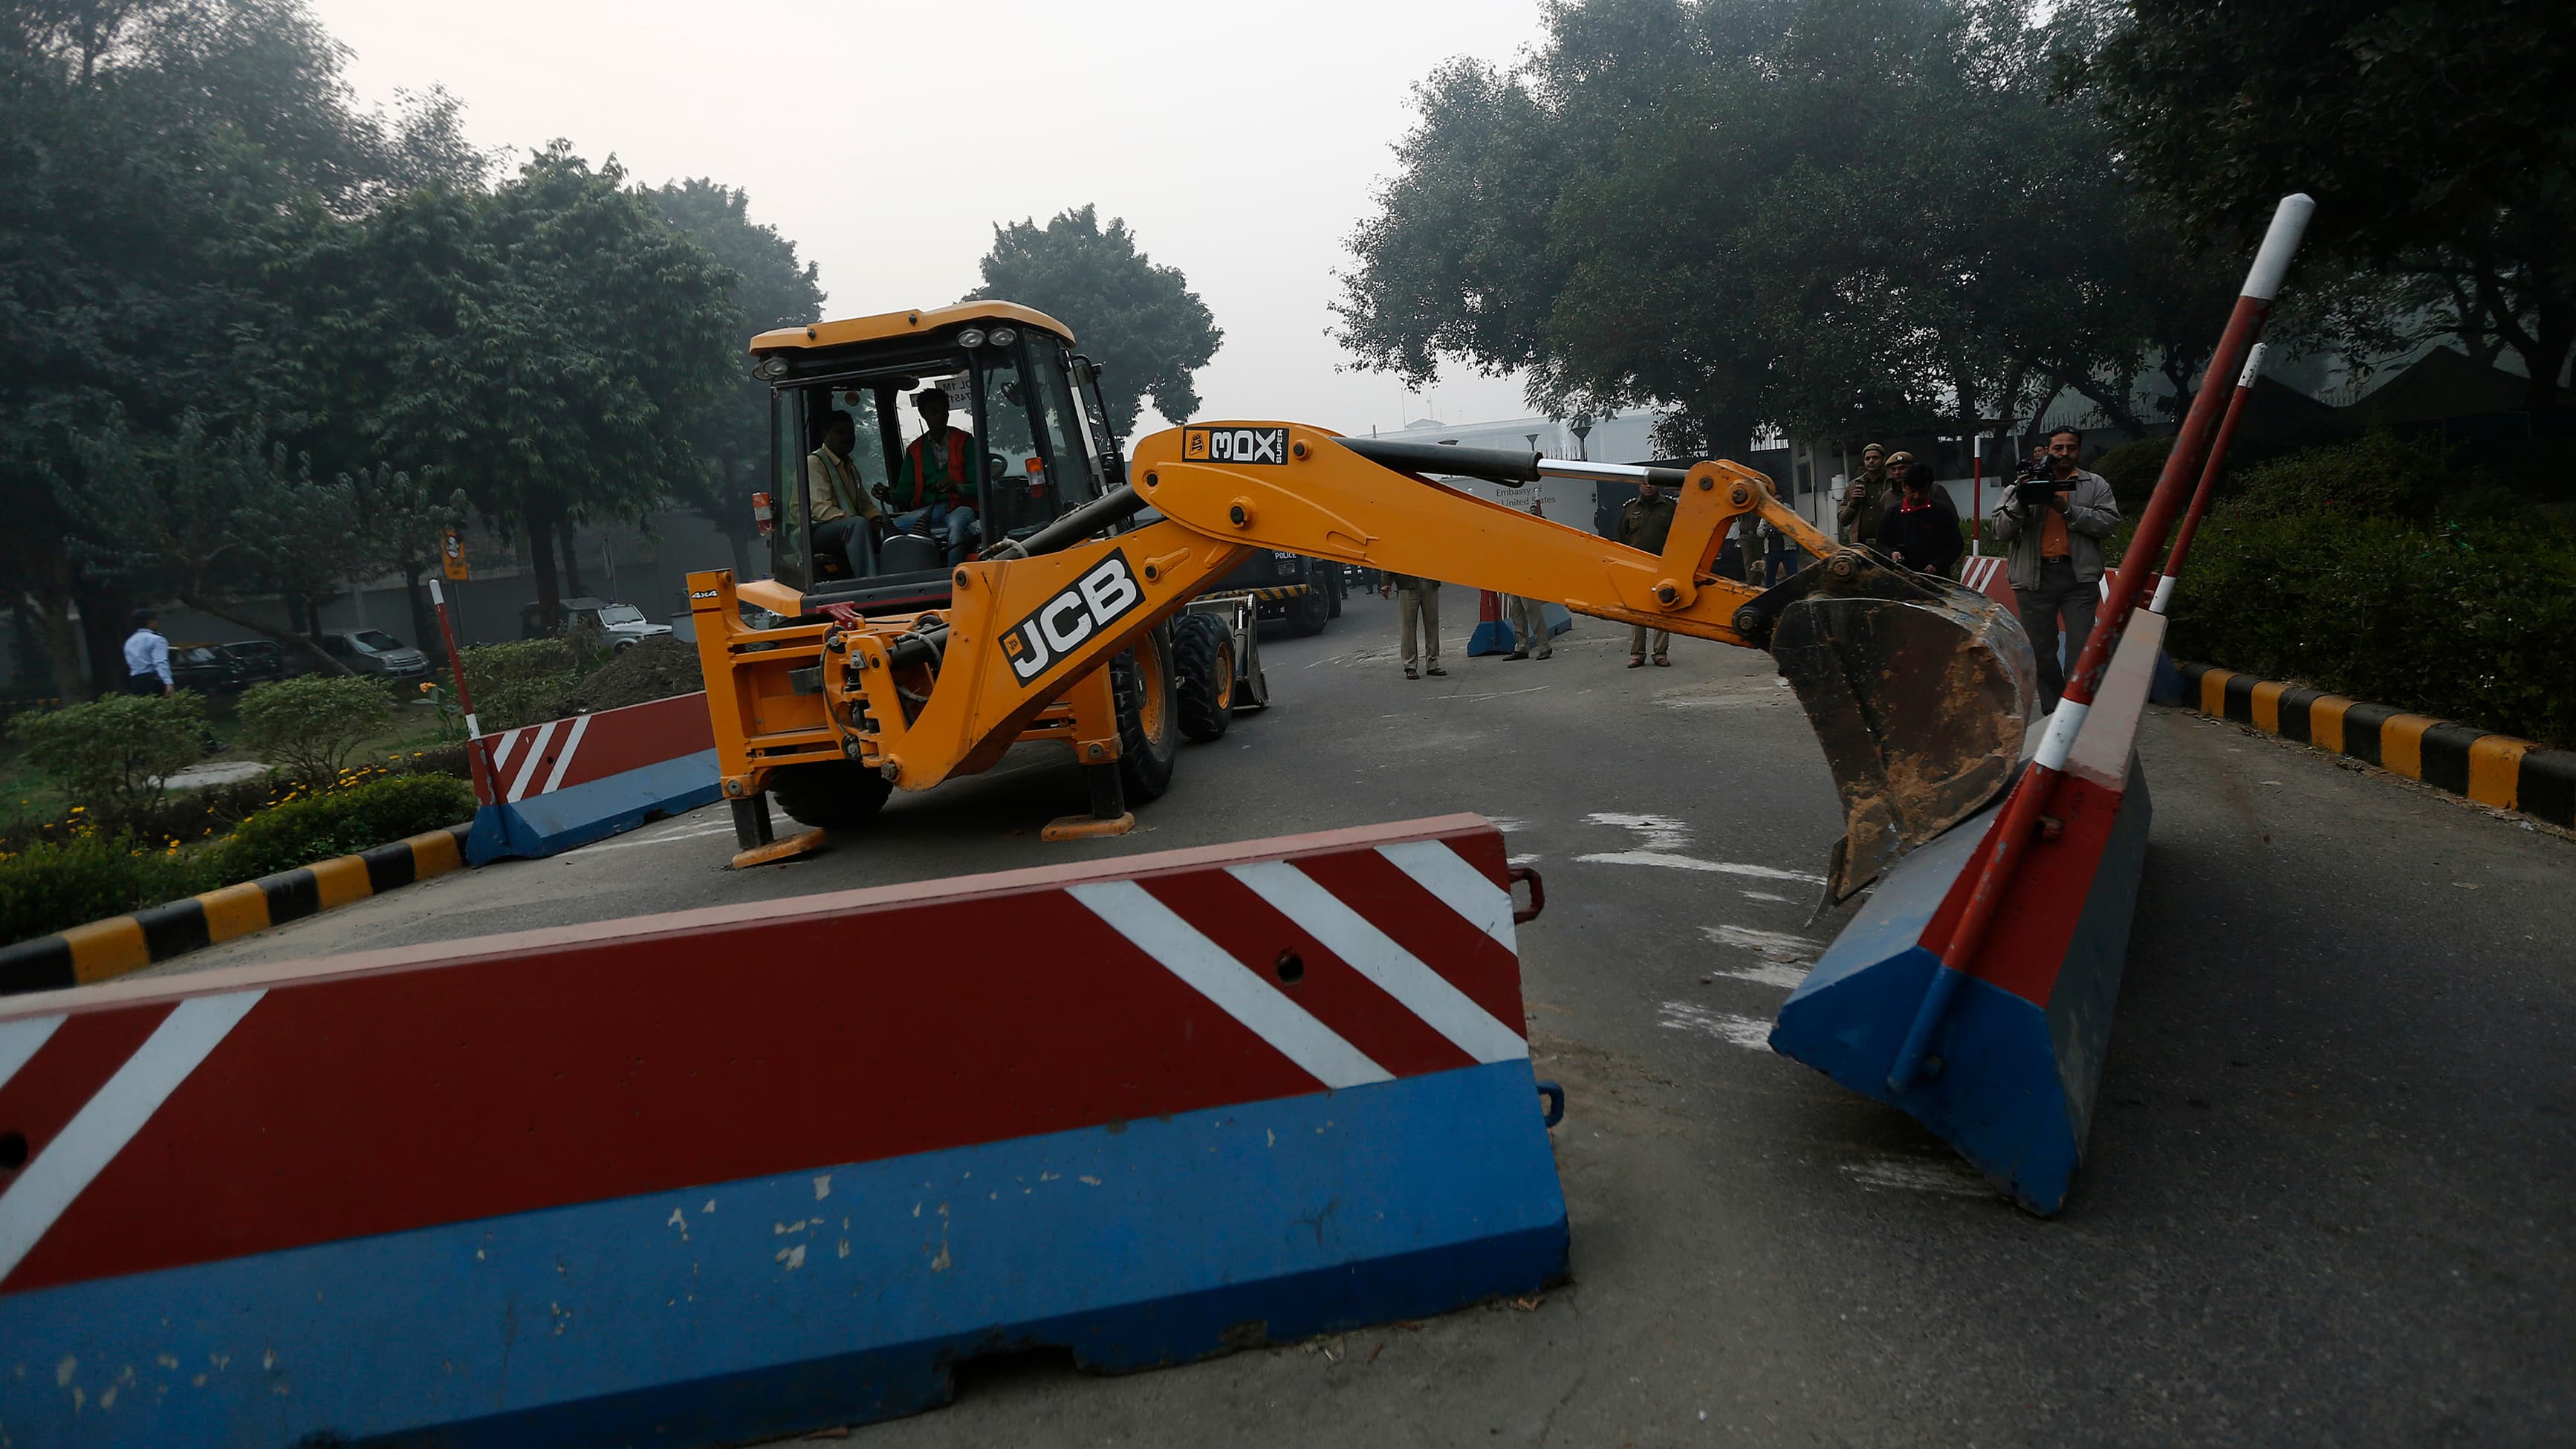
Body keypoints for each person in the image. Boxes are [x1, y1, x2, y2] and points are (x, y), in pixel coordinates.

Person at [1989, 426, 2121, 711]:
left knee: (2081, 650)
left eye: (2070, 448)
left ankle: (2076, 711)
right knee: (2041, 653)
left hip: (2079, 578)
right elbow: (2000, 531)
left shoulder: (2095, 484)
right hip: (2033, 581)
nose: (2063, 453)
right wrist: (2022, 503)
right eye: (2058, 448)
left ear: (2079, 450)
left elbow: (2109, 523)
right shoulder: (2020, 485)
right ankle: (2054, 711)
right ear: (2048, 451)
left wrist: (2065, 509)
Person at [889, 387, 979, 565]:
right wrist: (888, 495)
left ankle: (952, 573)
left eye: (943, 411)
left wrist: (957, 487)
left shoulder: (966, 442)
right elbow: (905, 493)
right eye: (934, 412)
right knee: (891, 530)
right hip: (931, 509)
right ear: (923, 414)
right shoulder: (914, 451)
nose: (940, 417)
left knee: (956, 526)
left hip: (961, 505)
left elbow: (980, 486)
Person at [807, 410, 883, 574]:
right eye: (840, 432)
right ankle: (870, 583)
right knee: (858, 525)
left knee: (887, 527)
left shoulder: (850, 468)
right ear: (825, 435)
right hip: (812, 532)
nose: (848, 437)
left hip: (844, 527)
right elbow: (822, 510)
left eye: (850, 432)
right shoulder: (814, 464)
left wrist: (881, 520)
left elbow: (866, 506)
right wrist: (863, 521)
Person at [1617, 479, 1676, 667]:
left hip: (1663, 565)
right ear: (1639, 486)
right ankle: (1637, 654)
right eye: (1644, 484)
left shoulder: (1670, 507)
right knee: (1636, 609)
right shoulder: (1629, 508)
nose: (1648, 486)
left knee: (1662, 607)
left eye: (1651, 483)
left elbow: (1679, 535)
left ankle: (1660, 653)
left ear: (1658, 485)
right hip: (1636, 566)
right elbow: (1621, 538)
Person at [1878, 461, 1962, 579]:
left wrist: (1937, 564)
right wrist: (1891, 553)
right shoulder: (1893, 513)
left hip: (1936, 579)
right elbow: (1881, 543)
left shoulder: (1941, 512)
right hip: (1900, 578)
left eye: (1922, 492)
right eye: (1912, 491)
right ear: (1904, 487)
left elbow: (1955, 544)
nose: (1917, 496)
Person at [1505, 497, 1552, 661]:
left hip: (1525, 574)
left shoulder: (1525, 533)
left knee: (1531, 610)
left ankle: (1543, 645)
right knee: (1517, 611)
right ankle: (1522, 646)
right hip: (1513, 572)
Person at [1380, 573, 1444, 678]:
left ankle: (1433, 663)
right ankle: (1410, 666)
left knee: (1432, 624)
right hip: (1407, 583)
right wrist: (1386, 582)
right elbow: (1393, 558)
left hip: (1430, 581)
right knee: (1408, 627)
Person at [1838, 443, 1893, 548]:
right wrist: (1853, 504)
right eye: (1867, 459)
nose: (1871, 461)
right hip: (1861, 545)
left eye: (1875, 458)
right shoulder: (1854, 485)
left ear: (1884, 459)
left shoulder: (1893, 483)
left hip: (1888, 545)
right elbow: (1843, 520)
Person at [123, 608, 172, 696]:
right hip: (153, 679)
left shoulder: (130, 641)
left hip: (136, 681)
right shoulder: (157, 639)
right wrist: (168, 682)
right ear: (150, 622)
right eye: (155, 620)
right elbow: (160, 662)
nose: (157, 623)